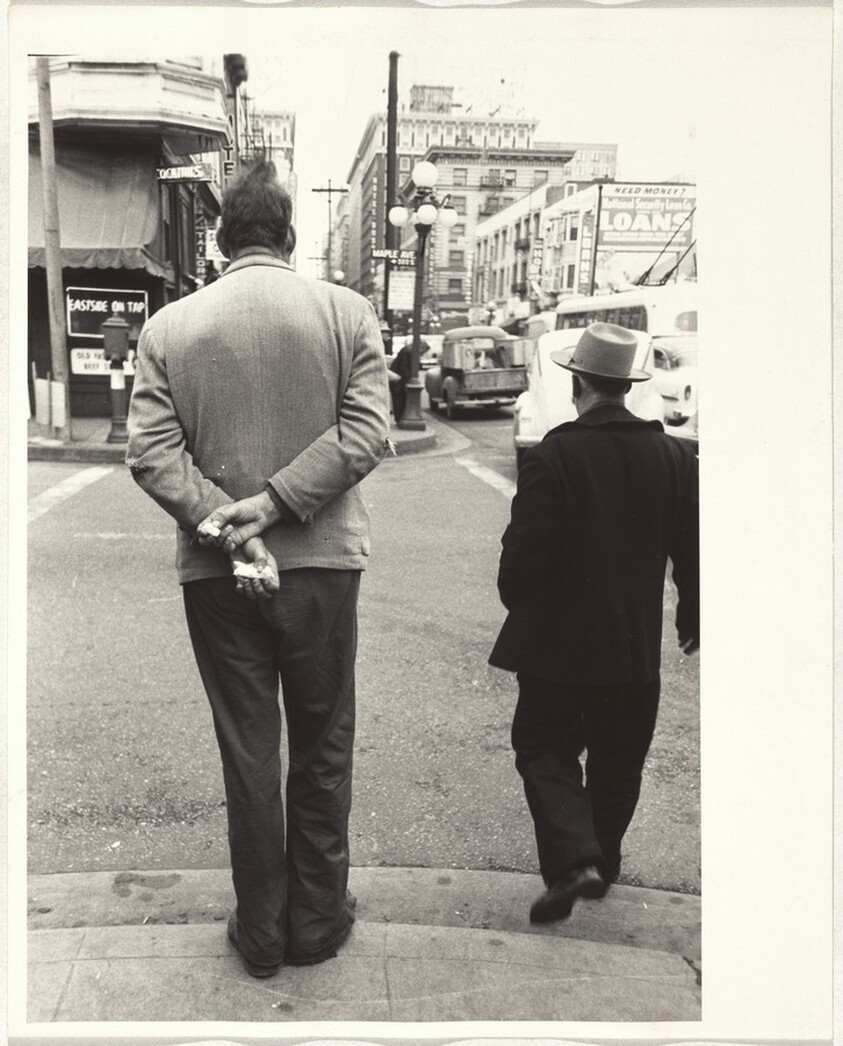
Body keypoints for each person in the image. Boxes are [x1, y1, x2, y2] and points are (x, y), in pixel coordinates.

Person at [126, 160, 391, 976]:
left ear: (220, 237)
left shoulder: (170, 327)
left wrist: (228, 523)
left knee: (248, 752)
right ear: (289, 235)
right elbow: (366, 430)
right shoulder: (345, 313)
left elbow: (150, 452)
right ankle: (316, 922)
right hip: (321, 564)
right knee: (323, 743)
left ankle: (261, 932)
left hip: (216, 574)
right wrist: (276, 506)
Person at [489, 322, 699, 924]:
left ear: (578, 380)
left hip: (557, 645)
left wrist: (518, 598)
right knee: (619, 758)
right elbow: (691, 549)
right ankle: (601, 862)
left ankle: (575, 859)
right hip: (634, 648)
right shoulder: (674, 457)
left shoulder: (554, 453)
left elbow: (524, 552)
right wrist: (692, 613)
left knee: (543, 746)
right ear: (627, 387)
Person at [389, 337, 428, 422]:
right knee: (399, 400)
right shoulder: (408, 352)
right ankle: (399, 419)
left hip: (398, 378)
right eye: (422, 351)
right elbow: (405, 368)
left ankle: (399, 419)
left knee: (399, 400)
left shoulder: (408, 351)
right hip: (398, 379)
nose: (422, 354)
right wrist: (409, 378)